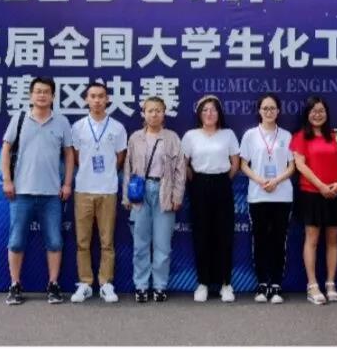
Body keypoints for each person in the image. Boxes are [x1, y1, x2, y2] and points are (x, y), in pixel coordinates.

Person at [0, 77, 74, 305]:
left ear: (53, 96)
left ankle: (53, 284)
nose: (42, 95)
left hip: (52, 194)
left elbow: (69, 154)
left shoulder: (61, 122)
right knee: (16, 241)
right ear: (31, 95)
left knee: (54, 241)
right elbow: (5, 149)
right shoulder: (20, 118)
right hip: (21, 192)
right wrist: (7, 180)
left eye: (46, 92)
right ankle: (15, 285)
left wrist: (67, 183)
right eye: (38, 91)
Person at [122, 96, 187, 303]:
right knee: (140, 243)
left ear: (164, 113)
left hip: (164, 191)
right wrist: (126, 196)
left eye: (158, 110)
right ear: (143, 113)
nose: (154, 114)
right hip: (140, 192)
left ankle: (160, 286)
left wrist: (177, 195)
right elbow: (127, 169)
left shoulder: (172, 138)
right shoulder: (135, 138)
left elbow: (180, 170)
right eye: (150, 110)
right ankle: (141, 286)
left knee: (162, 244)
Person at [69, 82, 127, 304]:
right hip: (83, 189)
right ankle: (85, 283)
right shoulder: (77, 127)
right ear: (86, 99)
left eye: (101, 96)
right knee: (82, 241)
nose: (97, 100)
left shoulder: (117, 127)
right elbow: (75, 157)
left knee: (107, 241)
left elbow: (120, 158)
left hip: (108, 190)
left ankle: (105, 284)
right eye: (92, 96)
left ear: (107, 99)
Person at [290, 95, 337, 305]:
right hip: (311, 194)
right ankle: (312, 285)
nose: (317, 115)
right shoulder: (300, 137)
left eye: (321, 111)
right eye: (313, 111)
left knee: (333, 240)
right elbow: (300, 166)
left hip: (335, 193)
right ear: (307, 114)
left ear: (327, 113)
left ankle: (331, 283)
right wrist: (321, 186)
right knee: (312, 239)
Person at [181, 95, 240, 303]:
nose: (209, 113)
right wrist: (197, 181)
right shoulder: (190, 136)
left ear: (219, 113)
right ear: (199, 114)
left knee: (224, 235)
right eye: (205, 110)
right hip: (199, 185)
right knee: (201, 234)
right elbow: (184, 164)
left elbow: (235, 163)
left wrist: (221, 180)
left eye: (213, 109)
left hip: (222, 184)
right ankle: (203, 283)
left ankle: (226, 284)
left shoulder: (228, 134)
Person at [239, 93, 295, 304]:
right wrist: (261, 180)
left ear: (278, 111)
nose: (269, 112)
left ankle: (277, 284)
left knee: (279, 241)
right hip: (258, 195)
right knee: (260, 240)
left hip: (282, 195)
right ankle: (262, 284)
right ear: (259, 111)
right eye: (265, 108)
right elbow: (243, 164)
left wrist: (276, 181)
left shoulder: (287, 136)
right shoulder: (250, 135)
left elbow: (292, 166)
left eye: (272, 108)